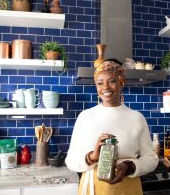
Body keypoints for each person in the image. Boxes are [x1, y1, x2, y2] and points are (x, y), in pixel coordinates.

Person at [65, 59, 158, 195]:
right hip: (93, 189)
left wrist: (130, 166)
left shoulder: (136, 117)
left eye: (112, 81)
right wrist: (92, 157)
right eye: (100, 83)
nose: (106, 87)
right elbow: (71, 161)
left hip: (128, 188)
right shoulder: (85, 117)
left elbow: (151, 159)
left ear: (121, 82)